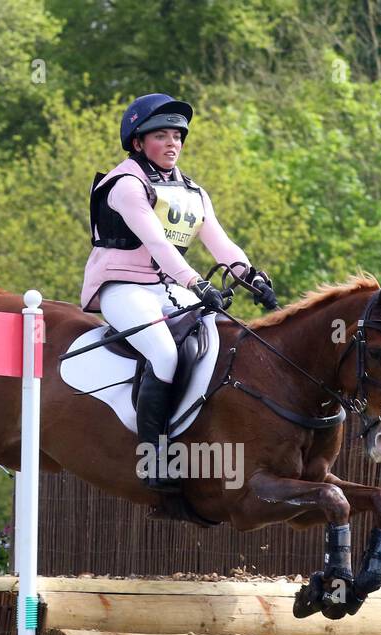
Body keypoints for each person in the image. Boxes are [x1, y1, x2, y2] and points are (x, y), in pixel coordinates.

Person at [81, 93, 274, 491]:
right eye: (161, 136)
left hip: (168, 287)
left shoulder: (192, 192)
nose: (173, 144)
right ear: (138, 143)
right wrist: (195, 282)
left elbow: (220, 243)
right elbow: (157, 244)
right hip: (123, 287)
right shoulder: (125, 185)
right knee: (165, 354)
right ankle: (153, 457)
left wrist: (249, 274)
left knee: (227, 335)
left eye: (178, 136)